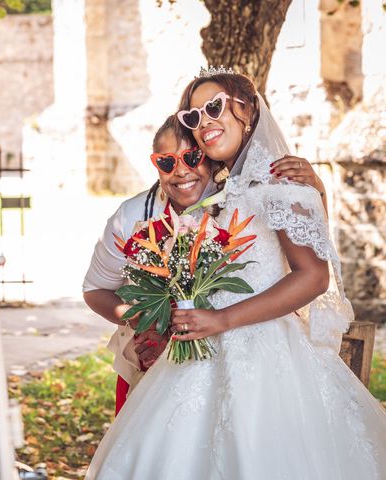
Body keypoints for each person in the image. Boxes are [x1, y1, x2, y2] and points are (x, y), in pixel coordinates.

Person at [85, 71, 386, 479]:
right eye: (193, 116)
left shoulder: (279, 179)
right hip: (200, 352)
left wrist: (222, 319)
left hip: (266, 358)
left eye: (215, 107)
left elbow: (313, 276)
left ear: (247, 110)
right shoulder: (230, 188)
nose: (204, 121)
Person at [83, 109, 327, 415]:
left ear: (210, 158)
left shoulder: (242, 206)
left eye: (192, 158)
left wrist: (316, 189)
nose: (181, 171)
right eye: (167, 162)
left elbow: (308, 251)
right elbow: (95, 290)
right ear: (155, 165)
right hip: (152, 370)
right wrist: (144, 322)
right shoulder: (132, 217)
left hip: (245, 361)